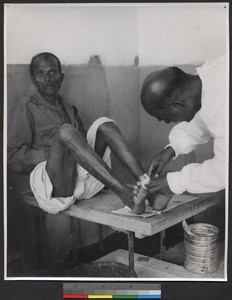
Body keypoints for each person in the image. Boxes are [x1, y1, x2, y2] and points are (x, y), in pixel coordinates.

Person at [8, 52, 156, 215]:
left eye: (52, 72)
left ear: (61, 77)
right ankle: (126, 195)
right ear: (33, 79)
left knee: (104, 124)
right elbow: (11, 156)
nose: (47, 79)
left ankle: (149, 188)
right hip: (55, 189)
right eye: (40, 74)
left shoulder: (69, 107)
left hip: (82, 181)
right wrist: (49, 154)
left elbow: (82, 149)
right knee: (65, 131)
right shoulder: (26, 106)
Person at [140, 56, 226, 209]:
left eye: (164, 118)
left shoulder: (223, 100)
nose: (167, 122)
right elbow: (202, 117)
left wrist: (174, 182)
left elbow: (225, 170)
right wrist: (172, 148)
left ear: (178, 104)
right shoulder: (209, 77)